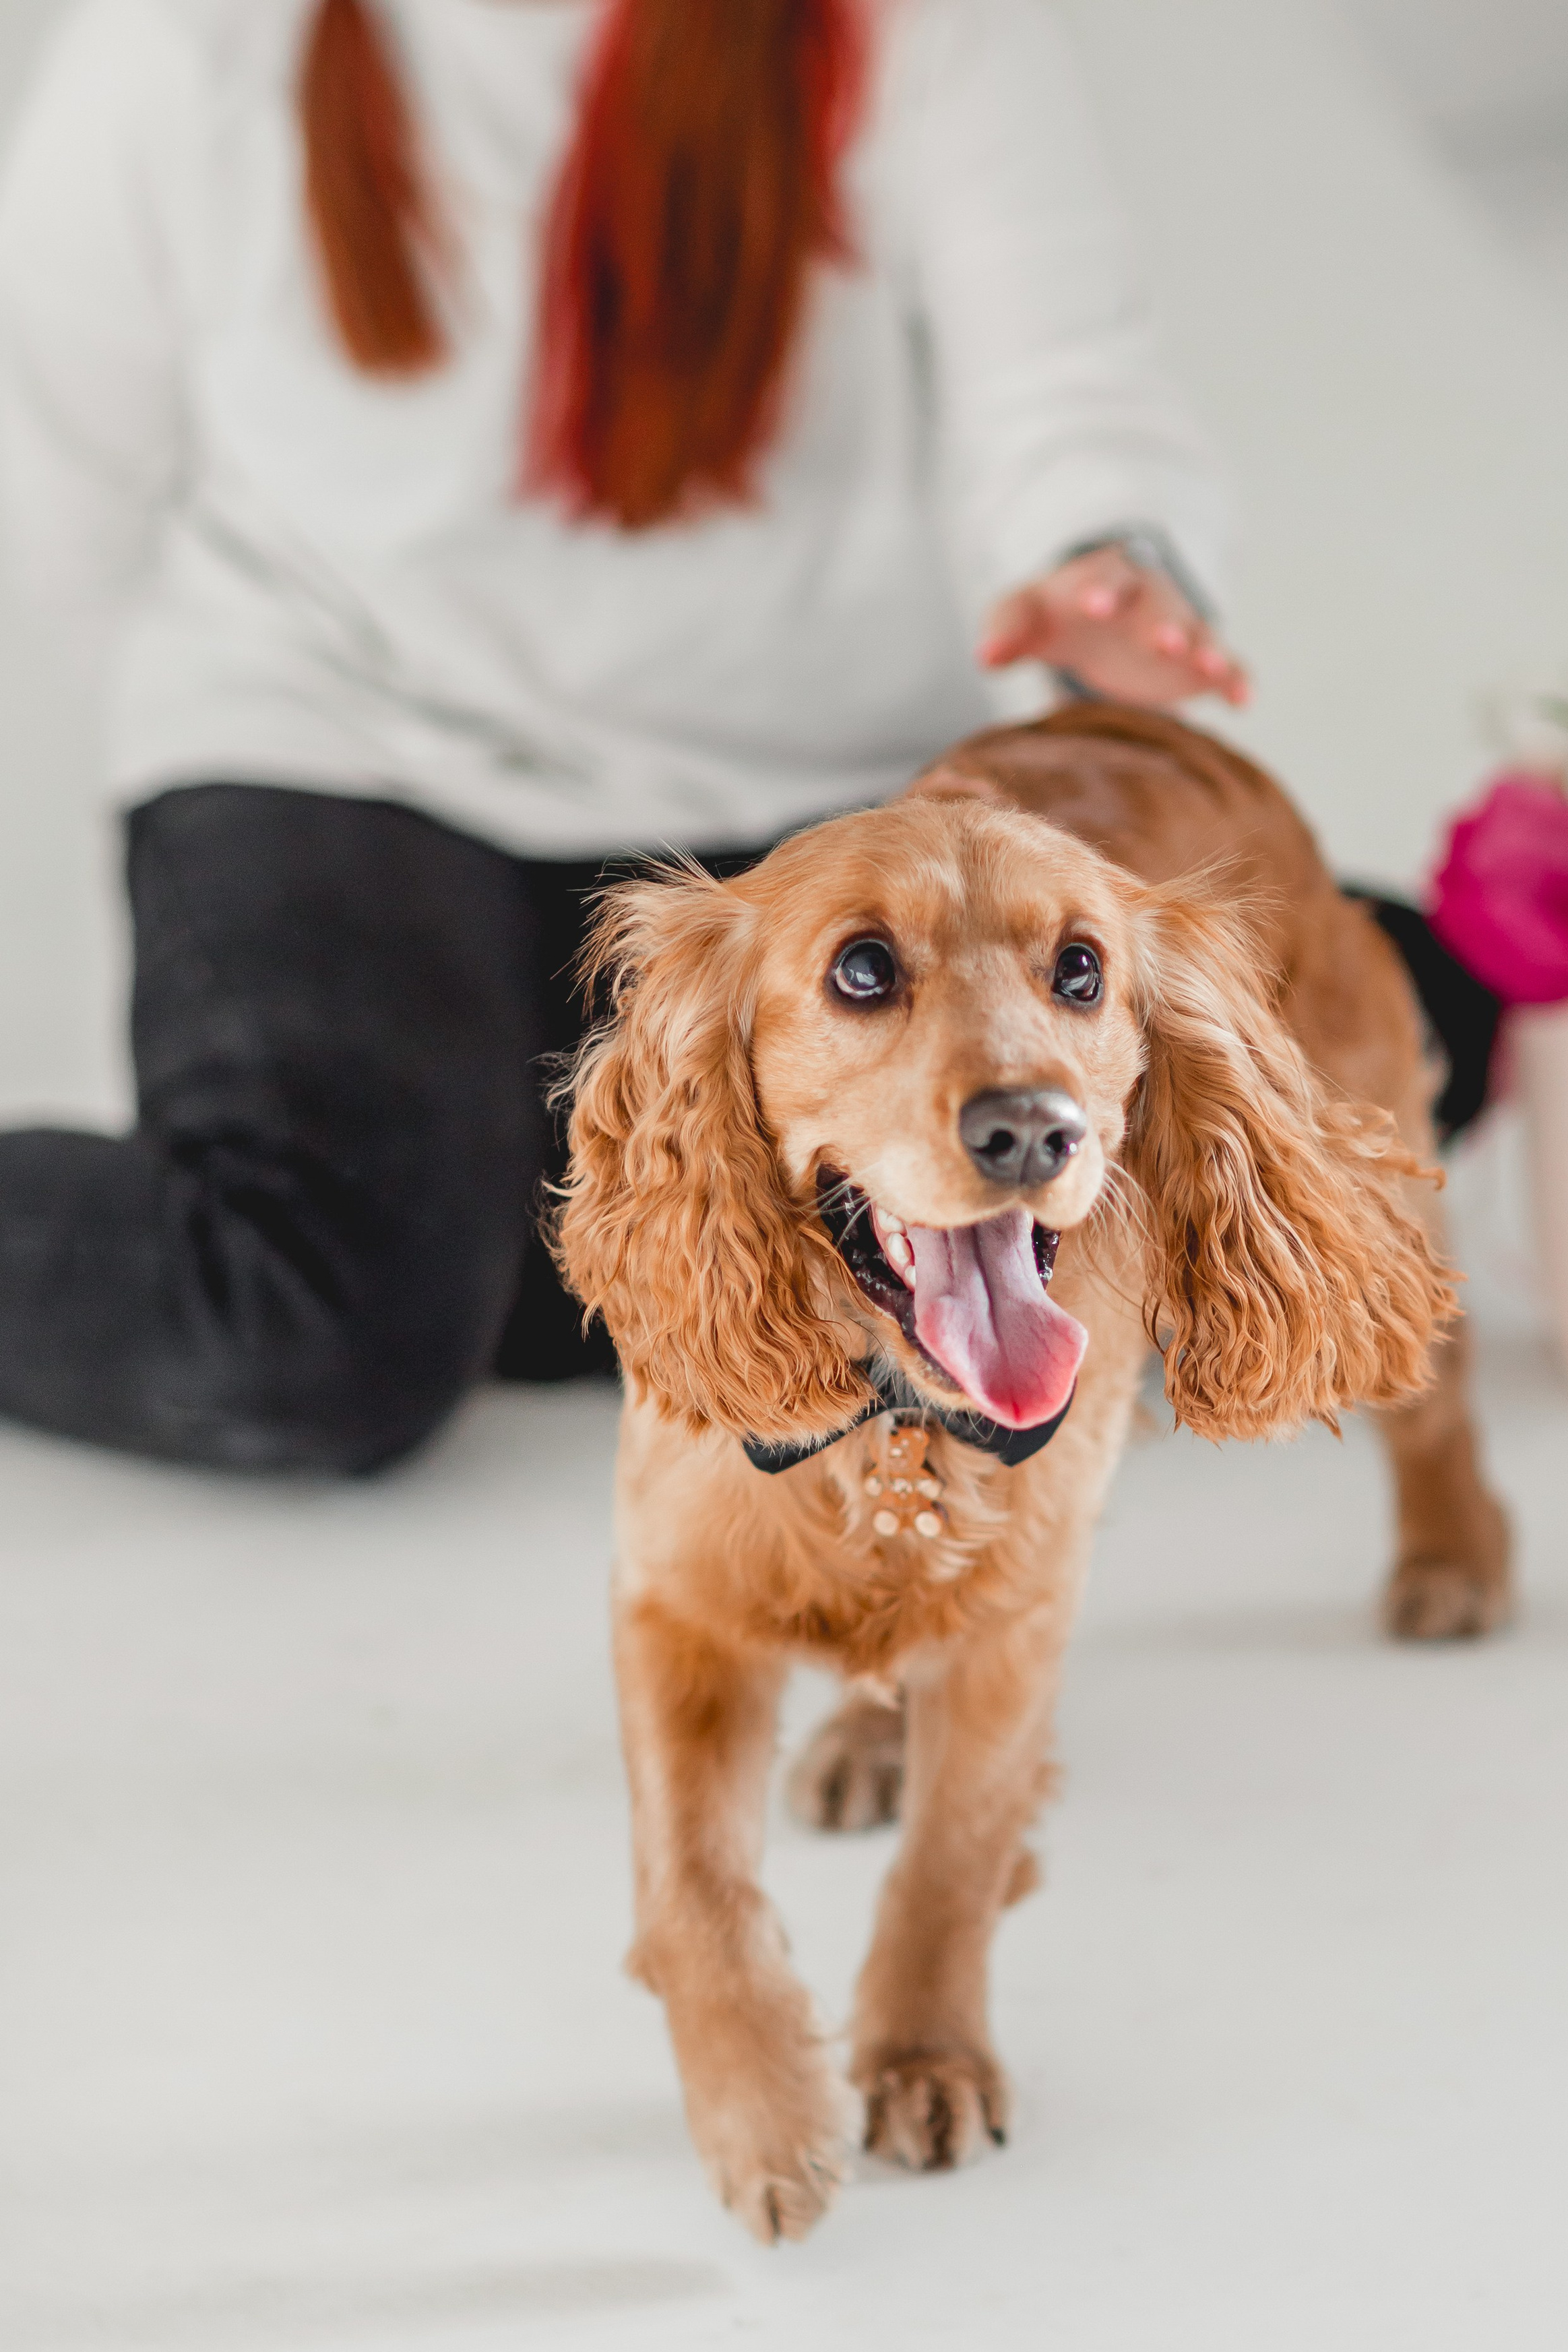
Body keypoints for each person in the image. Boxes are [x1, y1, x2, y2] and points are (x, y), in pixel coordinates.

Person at [0, 0, 1243, 1475]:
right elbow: (48, 465)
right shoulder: (190, 41)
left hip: (805, 799)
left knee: (1195, 1196)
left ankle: (528, 1229)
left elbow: (1058, 380)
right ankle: (504, 1227)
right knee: (316, 1324)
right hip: (345, 751)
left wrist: (1097, 553)